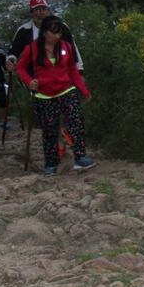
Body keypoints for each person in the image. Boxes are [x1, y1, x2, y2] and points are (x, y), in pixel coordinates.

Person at [16, 15, 95, 175]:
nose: (57, 35)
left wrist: (83, 90)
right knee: (49, 130)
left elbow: (72, 70)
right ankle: (51, 163)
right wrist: (29, 81)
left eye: (59, 32)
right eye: (54, 32)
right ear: (45, 32)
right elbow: (20, 67)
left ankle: (80, 156)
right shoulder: (31, 49)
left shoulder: (66, 46)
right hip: (44, 95)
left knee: (76, 122)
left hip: (66, 90)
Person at [7, 0, 84, 73]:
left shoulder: (61, 27)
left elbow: (73, 49)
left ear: (47, 11)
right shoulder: (23, 31)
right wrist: (11, 60)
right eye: (37, 10)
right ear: (31, 12)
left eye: (43, 9)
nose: (41, 13)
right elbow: (14, 51)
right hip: (35, 76)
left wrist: (79, 69)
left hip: (61, 73)